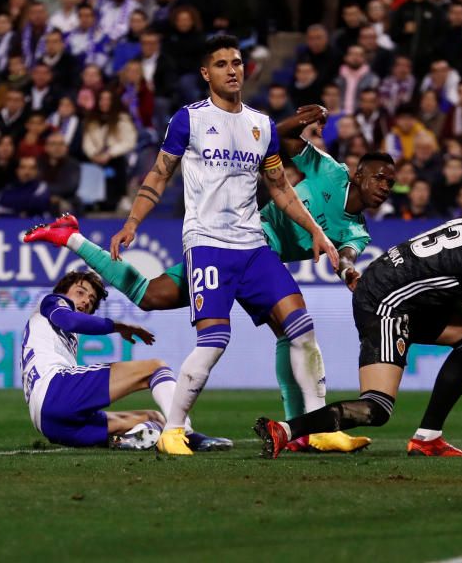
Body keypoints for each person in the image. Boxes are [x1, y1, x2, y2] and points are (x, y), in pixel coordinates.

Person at [26, 106, 394, 454]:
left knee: (295, 328)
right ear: (358, 173)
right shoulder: (329, 170)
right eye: (379, 177)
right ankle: (72, 238)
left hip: (258, 258)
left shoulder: (358, 230)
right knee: (164, 304)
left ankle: (311, 429)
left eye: (391, 183)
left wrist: (347, 270)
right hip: (238, 238)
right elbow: (272, 141)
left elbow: (346, 254)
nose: (385, 187)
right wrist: (296, 121)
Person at [107, 35, 339, 456]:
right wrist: (132, 222)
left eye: (237, 62)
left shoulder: (262, 125)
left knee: (302, 330)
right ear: (205, 73)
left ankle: (319, 427)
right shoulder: (188, 120)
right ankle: (173, 431)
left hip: (253, 246)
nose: (232, 70)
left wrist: (317, 232)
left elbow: (279, 188)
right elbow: (159, 174)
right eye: (221, 64)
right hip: (208, 244)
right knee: (214, 342)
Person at [254, 199, 462, 459]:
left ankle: (428, 437)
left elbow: (441, 267)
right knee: (377, 409)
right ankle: (285, 430)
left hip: (389, 285)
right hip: (386, 303)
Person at [19, 270, 228, 451]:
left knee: (155, 417)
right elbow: (69, 319)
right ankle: (187, 435)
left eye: (91, 300)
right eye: (80, 292)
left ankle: (127, 440)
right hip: (55, 389)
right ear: (62, 292)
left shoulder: (57, 332)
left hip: (50, 423)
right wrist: (119, 326)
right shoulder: (53, 301)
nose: (85, 301)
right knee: (155, 368)